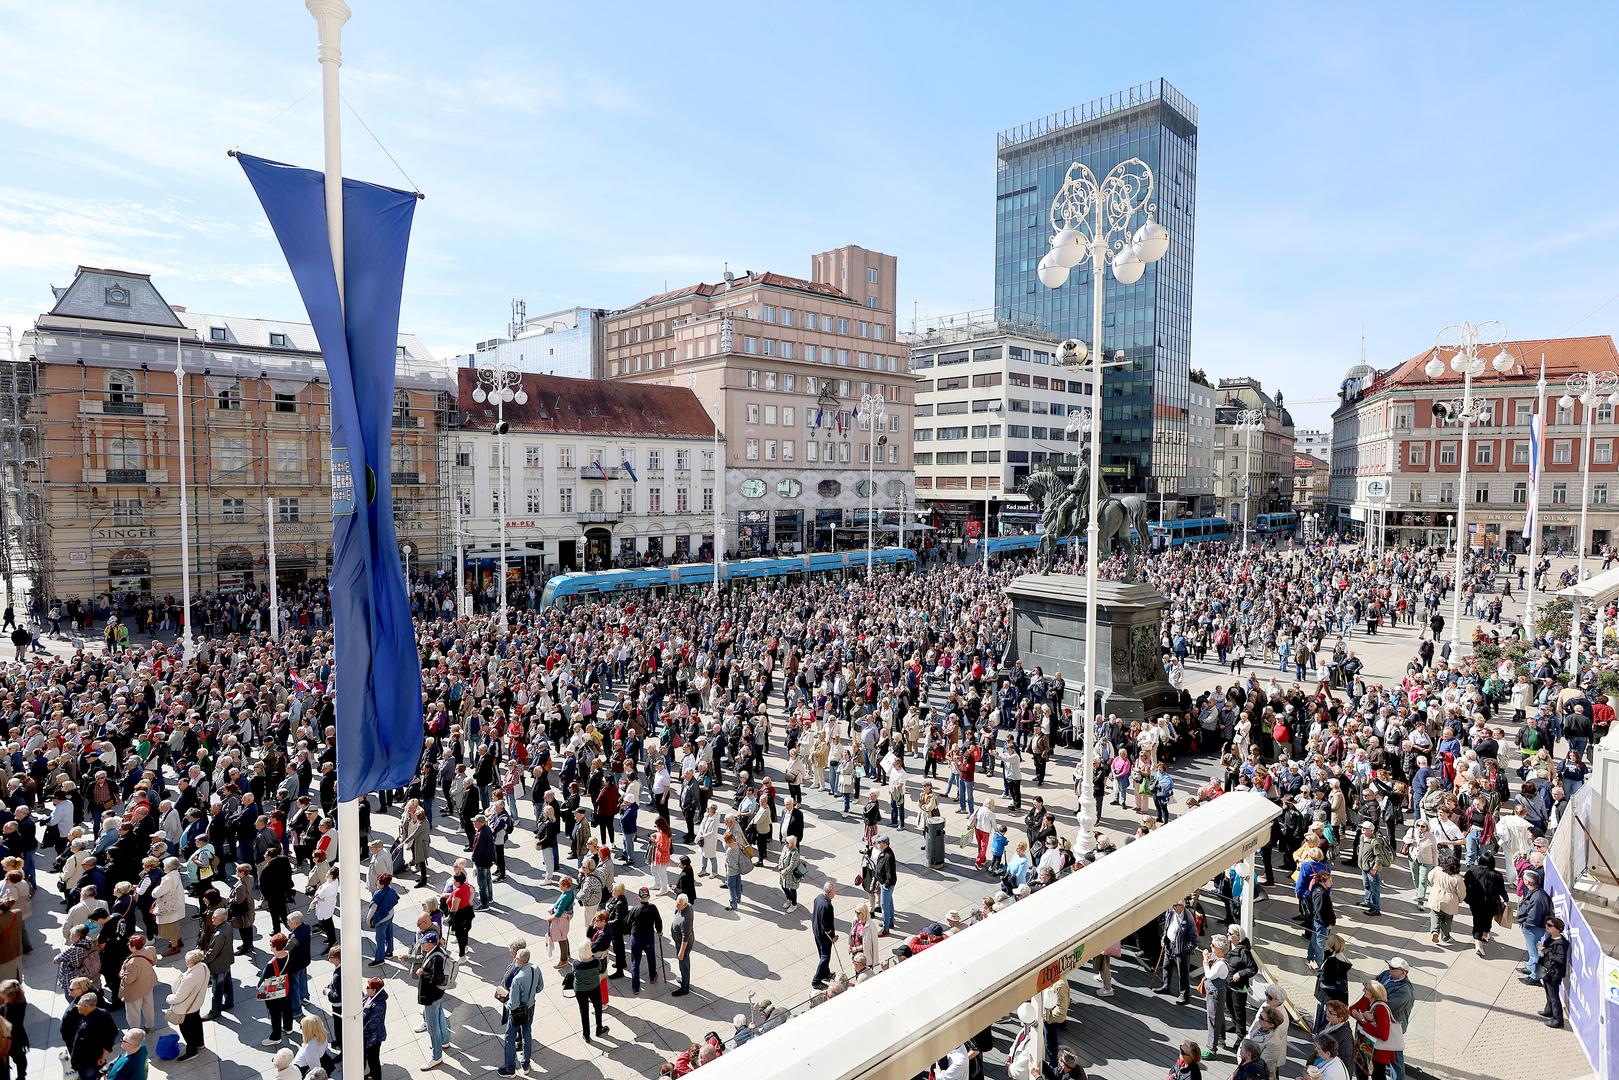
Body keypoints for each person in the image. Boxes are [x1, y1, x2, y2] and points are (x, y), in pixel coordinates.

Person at [497, 946, 540, 1076]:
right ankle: (526, 1065)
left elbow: (514, 1004)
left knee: (509, 1037)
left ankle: (510, 1069)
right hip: (531, 1006)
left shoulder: (517, 979)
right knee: (527, 1033)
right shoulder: (536, 968)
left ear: (519, 960)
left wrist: (505, 1002)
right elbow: (540, 987)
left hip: (517, 1012)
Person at [1349, 980, 1402, 1080]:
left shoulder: (1380, 1009)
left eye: (1366, 989)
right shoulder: (1367, 1001)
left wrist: (1363, 1020)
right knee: (1361, 1072)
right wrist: (1363, 1016)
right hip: (1366, 1048)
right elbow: (1351, 1010)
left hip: (1377, 1052)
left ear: (1373, 993)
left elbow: (1383, 1035)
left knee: (1378, 1076)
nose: (1363, 989)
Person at [413, 932, 450, 1068]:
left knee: (432, 1028)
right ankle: (445, 1041)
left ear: (430, 944)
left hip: (431, 996)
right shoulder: (437, 951)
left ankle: (437, 1056)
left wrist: (423, 973)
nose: (421, 944)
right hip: (437, 995)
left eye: (423, 943)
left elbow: (437, 978)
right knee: (440, 1016)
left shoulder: (436, 957)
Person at [62, 992, 118, 1080]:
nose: (77, 1006)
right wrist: (106, 1051)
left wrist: (74, 1064)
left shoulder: (84, 1027)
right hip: (100, 1056)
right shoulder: (104, 1013)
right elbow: (113, 1031)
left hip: (86, 1063)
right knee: (101, 1074)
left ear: (88, 1008)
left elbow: (78, 1047)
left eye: (80, 1005)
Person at [1462, 852, 1508, 959]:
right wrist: (1506, 899)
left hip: (1475, 901)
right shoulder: (1497, 875)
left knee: (1477, 921)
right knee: (1488, 919)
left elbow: (1465, 884)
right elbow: (1502, 890)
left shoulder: (1472, 870)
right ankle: (1485, 934)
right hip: (1491, 903)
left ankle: (1478, 945)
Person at [168, 948, 210, 1061]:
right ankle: (200, 1043)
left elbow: (178, 997)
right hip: (196, 1004)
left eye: (187, 960)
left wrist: (169, 998)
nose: (185, 962)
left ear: (192, 962)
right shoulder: (204, 967)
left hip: (186, 1007)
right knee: (196, 1023)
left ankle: (192, 1051)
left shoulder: (189, 977)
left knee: (186, 1029)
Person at [1154, 898, 1198, 1004]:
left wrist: (1185, 950)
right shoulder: (1170, 911)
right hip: (1169, 944)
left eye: (1175, 906)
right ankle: (1166, 986)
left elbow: (1194, 939)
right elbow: (1167, 925)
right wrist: (1164, 937)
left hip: (1181, 949)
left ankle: (1184, 995)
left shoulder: (1188, 918)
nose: (1172, 907)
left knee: (1183, 973)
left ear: (1182, 906)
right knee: (1166, 966)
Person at [116, 933, 159, 1035]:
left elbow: (129, 980)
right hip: (147, 984)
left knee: (133, 1013)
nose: (128, 945)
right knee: (148, 1007)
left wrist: (122, 973)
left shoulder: (132, 963)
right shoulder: (150, 949)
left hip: (134, 990)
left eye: (130, 944)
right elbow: (154, 961)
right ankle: (150, 1026)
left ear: (134, 947)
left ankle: (135, 1032)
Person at [1515, 868, 1552, 984]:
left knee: (1534, 953)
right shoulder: (1537, 893)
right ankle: (1530, 968)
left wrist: (1526, 925)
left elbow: (1534, 917)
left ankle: (1534, 977)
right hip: (1532, 928)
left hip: (1532, 929)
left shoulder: (1538, 897)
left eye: (1524, 879)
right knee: (1531, 951)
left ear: (1528, 882)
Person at [259, 934, 295, 1047]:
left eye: (271, 944)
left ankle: (276, 1037)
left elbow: (261, 982)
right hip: (287, 987)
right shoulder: (289, 956)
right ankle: (288, 1028)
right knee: (287, 1008)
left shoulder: (271, 964)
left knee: (275, 1014)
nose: (270, 946)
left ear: (275, 947)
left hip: (274, 992)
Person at [571, 943, 608, 1043]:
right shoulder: (596, 962)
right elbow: (600, 970)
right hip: (594, 987)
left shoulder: (576, 964)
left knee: (584, 1012)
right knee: (598, 1007)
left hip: (580, 990)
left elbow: (573, 972)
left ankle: (586, 1034)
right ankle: (599, 1028)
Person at [629, 886, 663, 993]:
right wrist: (659, 931)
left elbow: (628, 922)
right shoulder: (653, 908)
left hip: (636, 938)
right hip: (648, 937)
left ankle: (635, 987)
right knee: (651, 957)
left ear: (638, 898)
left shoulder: (634, 909)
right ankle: (652, 976)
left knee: (635, 962)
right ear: (648, 897)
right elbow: (658, 921)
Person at [1539, 916, 1570, 1028]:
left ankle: (1558, 1020)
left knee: (1554, 996)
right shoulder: (1551, 938)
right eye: (1546, 924)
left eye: (1550, 925)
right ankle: (1549, 1010)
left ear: (1557, 928)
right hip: (1546, 970)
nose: (1547, 927)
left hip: (1554, 973)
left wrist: (1545, 950)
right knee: (1548, 991)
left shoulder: (1561, 943)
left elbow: (1561, 959)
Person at [367, 873, 399, 966]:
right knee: (389, 933)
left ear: (382, 884)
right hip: (390, 915)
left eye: (378, 881)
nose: (377, 882)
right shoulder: (391, 889)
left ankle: (379, 959)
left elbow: (372, 909)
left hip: (381, 920)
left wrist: (368, 920)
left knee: (380, 939)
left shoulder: (377, 894)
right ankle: (389, 952)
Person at [811, 881, 837, 990]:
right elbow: (828, 925)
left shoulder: (818, 898)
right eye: (834, 891)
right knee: (825, 957)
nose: (835, 893)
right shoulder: (828, 906)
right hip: (824, 935)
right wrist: (833, 936)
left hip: (816, 930)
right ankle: (816, 980)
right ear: (829, 892)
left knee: (821, 953)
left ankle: (825, 973)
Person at [361, 977, 387, 1080]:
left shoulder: (378, 1005)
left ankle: (376, 1077)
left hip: (373, 1038)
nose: (366, 988)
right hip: (368, 1037)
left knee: (373, 1060)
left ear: (374, 990)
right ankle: (372, 1074)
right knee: (371, 1059)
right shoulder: (369, 996)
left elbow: (371, 1025)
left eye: (368, 987)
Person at [670, 893, 694, 997]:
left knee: (684, 964)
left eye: (679, 904)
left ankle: (685, 988)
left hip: (683, 944)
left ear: (685, 904)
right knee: (682, 963)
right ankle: (684, 979)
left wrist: (681, 951)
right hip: (679, 941)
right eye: (676, 902)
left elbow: (686, 936)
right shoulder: (685, 907)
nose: (676, 905)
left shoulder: (686, 918)